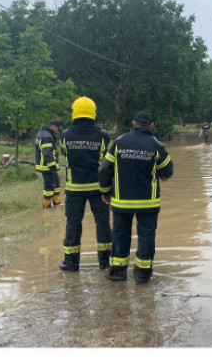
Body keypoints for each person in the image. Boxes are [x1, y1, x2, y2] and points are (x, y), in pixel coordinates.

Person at [98, 110, 173, 284]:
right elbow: (168, 170)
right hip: (148, 202)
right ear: (151, 125)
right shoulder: (155, 145)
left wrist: (105, 191)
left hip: (121, 201)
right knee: (147, 235)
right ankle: (142, 275)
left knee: (120, 234)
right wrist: (156, 174)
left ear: (133, 123)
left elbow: (104, 170)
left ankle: (117, 272)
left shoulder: (119, 142)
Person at [59, 97, 113, 272]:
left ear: (74, 113)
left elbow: (64, 152)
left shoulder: (65, 135)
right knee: (103, 224)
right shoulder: (104, 136)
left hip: (74, 190)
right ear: (93, 113)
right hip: (99, 189)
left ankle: (71, 262)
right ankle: (105, 262)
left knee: (73, 224)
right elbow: (110, 161)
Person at [34, 119, 63, 208]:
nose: (58, 132)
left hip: (46, 166)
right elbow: (47, 153)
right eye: (58, 130)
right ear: (53, 127)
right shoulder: (47, 137)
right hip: (47, 167)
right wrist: (53, 167)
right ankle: (46, 206)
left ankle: (57, 203)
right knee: (49, 186)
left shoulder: (41, 133)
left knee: (56, 183)